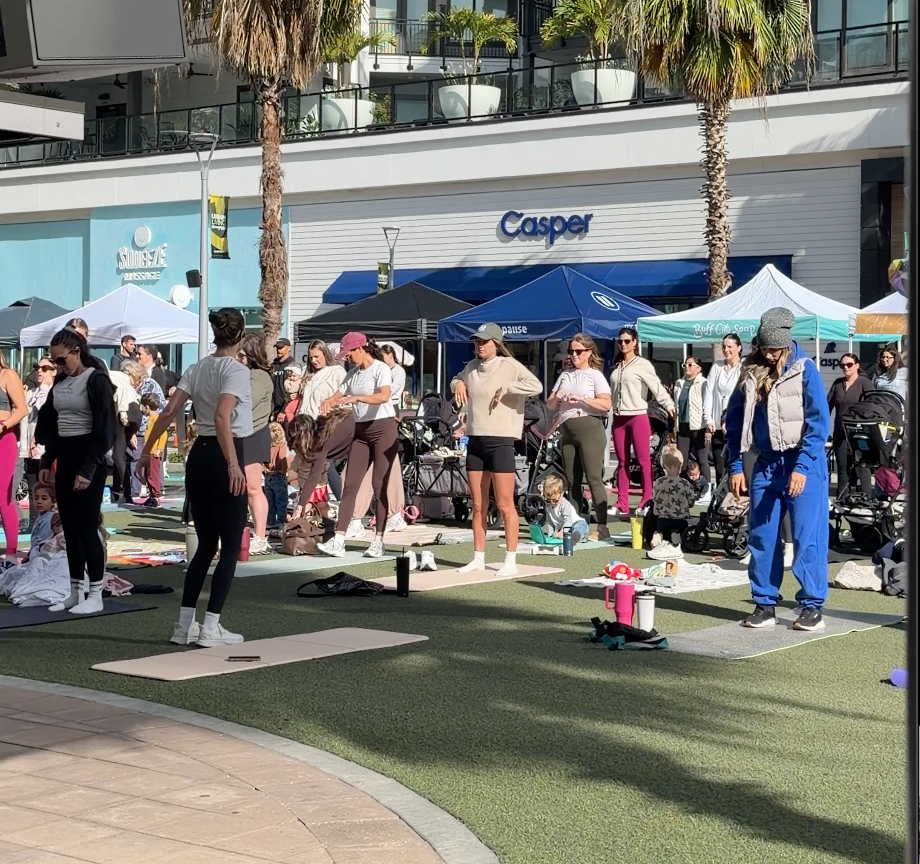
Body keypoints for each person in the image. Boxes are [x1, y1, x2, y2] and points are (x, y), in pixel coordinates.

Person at [136, 308, 252, 646]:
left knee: (205, 544)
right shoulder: (236, 370)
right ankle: (211, 626)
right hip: (225, 452)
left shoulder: (197, 367)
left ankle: (184, 625)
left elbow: (169, 411)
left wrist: (146, 451)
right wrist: (233, 464)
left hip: (199, 456)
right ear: (241, 335)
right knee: (230, 545)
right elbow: (222, 417)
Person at [726, 307, 831, 632]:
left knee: (807, 536)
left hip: (804, 463)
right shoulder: (749, 372)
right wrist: (736, 465)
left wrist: (802, 467)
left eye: (775, 349)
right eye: (764, 348)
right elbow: (733, 422)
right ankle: (764, 603)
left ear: (786, 344)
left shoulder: (805, 369)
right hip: (766, 464)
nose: (769, 355)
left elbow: (819, 423)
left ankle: (812, 605)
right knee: (762, 536)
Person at [450, 323, 542, 576]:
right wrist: (457, 383)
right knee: (478, 505)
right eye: (477, 342)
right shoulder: (471, 367)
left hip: (501, 440)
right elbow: (457, 379)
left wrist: (509, 388)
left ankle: (510, 560)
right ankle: (478, 557)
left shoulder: (509, 365)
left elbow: (536, 386)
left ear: (496, 343)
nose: (480, 346)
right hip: (475, 440)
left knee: (504, 504)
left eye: (485, 342)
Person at [35, 327, 115, 615]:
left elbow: (106, 429)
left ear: (77, 352)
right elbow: (52, 424)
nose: (59, 366)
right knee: (69, 528)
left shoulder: (96, 380)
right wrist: (47, 461)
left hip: (89, 459)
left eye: (62, 360)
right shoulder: (61, 383)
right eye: (54, 361)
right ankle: (74, 591)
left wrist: (88, 469)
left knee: (87, 527)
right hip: (66, 457)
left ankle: (96, 592)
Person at [317, 333, 400, 559]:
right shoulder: (353, 374)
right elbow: (338, 395)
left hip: (383, 429)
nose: (348, 358)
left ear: (361, 349)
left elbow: (383, 396)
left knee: (378, 485)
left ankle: (378, 540)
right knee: (350, 485)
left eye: (350, 353)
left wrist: (358, 398)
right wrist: (328, 402)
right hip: (361, 433)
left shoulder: (381, 369)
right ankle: (339, 540)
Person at [546, 333, 612, 540]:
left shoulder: (594, 375)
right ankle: (574, 524)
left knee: (593, 478)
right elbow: (550, 405)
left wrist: (583, 399)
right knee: (571, 480)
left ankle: (602, 527)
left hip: (590, 428)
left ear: (588, 353)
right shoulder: (565, 375)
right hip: (567, 430)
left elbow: (606, 404)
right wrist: (557, 397)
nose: (574, 355)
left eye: (578, 351)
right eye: (571, 351)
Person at [609, 327, 675, 516]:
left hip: (638, 416)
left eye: (627, 341)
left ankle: (646, 499)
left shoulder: (643, 364)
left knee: (644, 460)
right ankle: (622, 502)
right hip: (619, 417)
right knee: (622, 461)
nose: (623, 344)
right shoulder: (618, 365)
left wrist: (668, 404)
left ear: (635, 343)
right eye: (620, 341)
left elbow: (656, 387)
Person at [238, 334, 274, 555]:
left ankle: (260, 537)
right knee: (239, 489)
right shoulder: (241, 375)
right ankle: (238, 532)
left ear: (251, 355)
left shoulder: (259, 377)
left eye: (241, 355)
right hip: (237, 435)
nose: (237, 358)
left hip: (253, 435)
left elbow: (243, 404)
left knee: (253, 488)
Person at [298, 340, 346, 500]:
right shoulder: (309, 375)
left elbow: (344, 397)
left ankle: (341, 499)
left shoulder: (336, 372)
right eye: (311, 357)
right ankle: (316, 502)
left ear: (325, 354)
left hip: (325, 423)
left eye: (317, 356)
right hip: (307, 426)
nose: (313, 360)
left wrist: (334, 412)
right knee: (312, 466)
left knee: (324, 462)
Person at [287, 410, 355, 514]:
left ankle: (351, 517)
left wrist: (300, 506)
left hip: (362, 435)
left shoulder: (320, 442)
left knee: (351, 486)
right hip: (357, 432)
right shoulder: (322, 431)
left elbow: (314, 474)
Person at [827, 352, 873, 494]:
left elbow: (872, 405)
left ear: (857, 365)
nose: (846, 367)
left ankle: (865, 498)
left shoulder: (865, 383)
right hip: (840, 431)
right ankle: (842, 498)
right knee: (842, 467)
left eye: (849, 364)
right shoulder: (838, 383)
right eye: (843, 365)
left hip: (860, 432)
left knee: (862, 467)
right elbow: (827, 406)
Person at [121, 360, 164, 502]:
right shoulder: (127, 387)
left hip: (151, 431)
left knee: (153, 465)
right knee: (136, 458)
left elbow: (153, 410)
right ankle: (136, 490)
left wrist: (135, 430)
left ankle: (156, 492)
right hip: (137, 429)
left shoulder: (149, 385)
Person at [704, 334, 744, 485]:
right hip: (718, 427)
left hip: (736, 426)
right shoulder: (717, 367)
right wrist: (708, 419)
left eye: (729, 346)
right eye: (724, 347)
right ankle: (720, 497)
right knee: (720, 469)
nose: (726, 350)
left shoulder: (743, 368)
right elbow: (708, 392)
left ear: (738, 348)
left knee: (735, 469)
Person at [0, 353, 28, 563]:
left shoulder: (7, 375)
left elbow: (22, 409)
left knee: (3, 496)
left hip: (4, 438)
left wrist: (3, 426)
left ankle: (11, 552)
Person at [21, 357, 55, 524]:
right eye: (37, 367)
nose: (39, 371)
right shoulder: (31, 393)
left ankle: (52, 521)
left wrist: (37, 440)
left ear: (54, 371)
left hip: (46, 448)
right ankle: (35, 522)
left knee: (49, 487)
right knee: (33, 486)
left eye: (45, 368)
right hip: (28, 447)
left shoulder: (54, 393)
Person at [644, 446, 695, 555]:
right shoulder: (685, 483)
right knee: (681, 528)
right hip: (680, 518)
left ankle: (659, 535)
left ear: (663, 466)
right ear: (680, 465)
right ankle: (676, 536)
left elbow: (654, 498)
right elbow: (691, 501)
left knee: (662, 529)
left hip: (662, 519)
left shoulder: (659, 482)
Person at [672, 356, 711, 484]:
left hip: (699, 427)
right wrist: (673, 427)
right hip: (683, 426)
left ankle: (706, 487)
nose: (686, 367)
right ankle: (683, 486)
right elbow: (676, 406)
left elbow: (707, 405)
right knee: (682, 460)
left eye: (690, 365)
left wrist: (708, 426)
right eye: (685, 365)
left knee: (702, 459)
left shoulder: (704, 383)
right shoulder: (679, 383)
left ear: (698, 368)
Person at [108, 365, 141, 504]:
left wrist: (122, 412)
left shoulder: (117, 378)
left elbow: (120, 392)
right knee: (119, 455)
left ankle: (126, 492)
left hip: (125, 412)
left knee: (117, 455)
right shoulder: (127, 383)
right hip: (133, 413)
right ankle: (119, 491)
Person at [541, 474, 588, 543]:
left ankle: (576, 537)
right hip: (563, 528)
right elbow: (550, 522)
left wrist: (562, 532)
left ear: (562, 494)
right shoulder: (548, 506)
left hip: (575, 523)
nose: (552, 503)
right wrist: (550, 534)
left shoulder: (564, 505)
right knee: (562, 534)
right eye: (548, 500)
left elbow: (568, 521)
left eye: (555, 500)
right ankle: (574, 537)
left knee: (578, 527)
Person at [140, 393, 167, 507]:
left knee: (153, 475)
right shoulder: (150, 419)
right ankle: (152, 496)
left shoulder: (156, 419)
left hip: (154, 452)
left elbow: (163, 434)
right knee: (148, 474)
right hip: (149, 452)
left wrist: (159, 449)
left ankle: (156, 497)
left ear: (146, 406)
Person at [265, 422, 290, 529]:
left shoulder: (267, 446)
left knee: (270, 502)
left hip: (268, 476)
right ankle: (281, 522)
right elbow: (281, 457)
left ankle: (270, 522)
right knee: (281, 502)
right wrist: (284, 469)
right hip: (279, 475)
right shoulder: (282, 445)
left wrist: (266, 468)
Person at [272, 337, 297, 415]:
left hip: (285, 410)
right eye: (277, 348)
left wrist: (283, 411)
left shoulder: (292, 367)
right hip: (272, 409)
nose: (278, 350)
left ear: (288, 348)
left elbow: (293, 392)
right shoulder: (273, 366)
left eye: (281, 348)